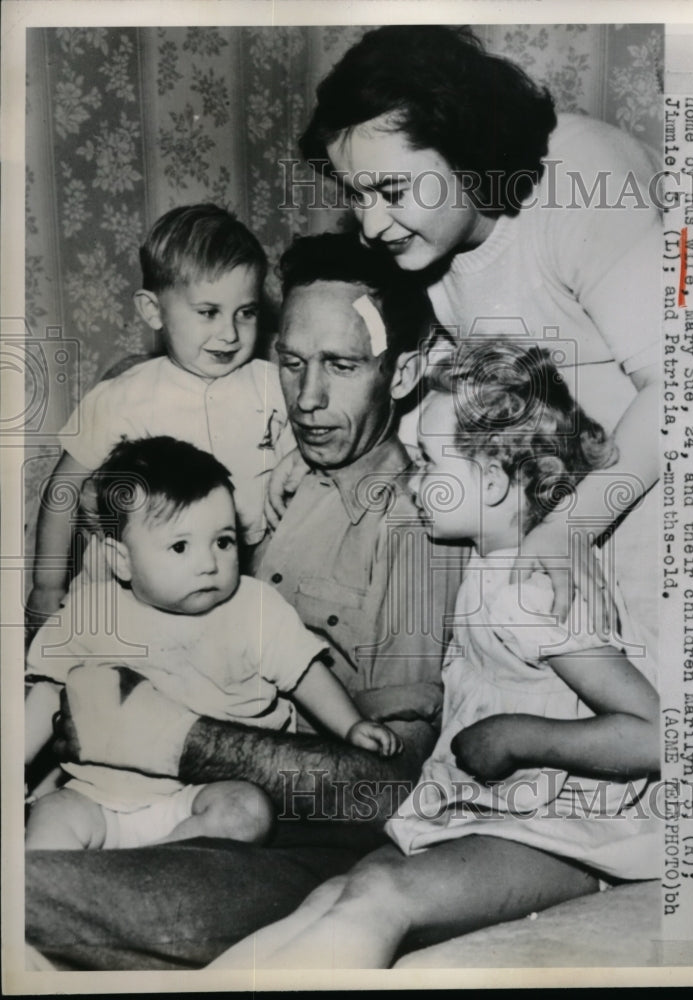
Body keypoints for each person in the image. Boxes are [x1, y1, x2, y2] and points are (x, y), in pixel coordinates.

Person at [25, 233, 464, 970]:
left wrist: (162, 732)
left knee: (39, 894)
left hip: (289, 837)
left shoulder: (416, 527)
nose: (309, 399)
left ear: (403, 372)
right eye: (291, 364)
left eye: (342, 366)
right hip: (129, 782)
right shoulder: (269, 466)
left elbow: (389, 791)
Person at [211, 341, 660, 970]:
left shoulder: (531, 591)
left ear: (498, 481)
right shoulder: (487, 564)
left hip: (574, 836)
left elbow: (654, 735)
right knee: (334, 891)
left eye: (426, 462)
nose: (410, 479)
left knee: (378, 893)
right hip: (494, 813)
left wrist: (517, 735)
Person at [298, 24, 662, 638]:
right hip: (574, 507)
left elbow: (683, 390)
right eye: (355, 196)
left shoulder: (585, 181)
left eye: (391, 190)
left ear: (468, 149)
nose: (371, 225)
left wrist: (568, 528)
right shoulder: (422, 245)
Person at [25, 436, 401, 851]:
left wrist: (350, 726)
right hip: (97, 797)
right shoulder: (91, 611)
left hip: (198, 798)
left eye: (223, 541)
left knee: (247, 810)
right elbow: (47, 692)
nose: (209, 564)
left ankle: (149, 868)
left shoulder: (253, 608)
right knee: (52, 817)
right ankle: (65, 881)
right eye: (180, 546)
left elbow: (306, 675)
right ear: (121, 560)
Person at [26, 203, 293, 635]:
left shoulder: (275, 386)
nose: (230, 333)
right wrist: (46, 584)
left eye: (245, 312)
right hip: (127, 598)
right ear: (153, 311)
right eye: (208, 312)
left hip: (231, 587)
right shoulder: (121, 397)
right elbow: (62, 488)